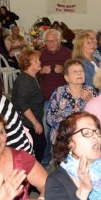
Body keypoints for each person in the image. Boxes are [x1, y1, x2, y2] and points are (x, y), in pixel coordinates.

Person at [37, 28, 73, 166]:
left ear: (59, 41)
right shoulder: (41, 55)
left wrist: (63, 69)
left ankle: (64, 158)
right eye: (48, 41)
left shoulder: (67, 53)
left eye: (53, 41)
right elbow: (33, 74)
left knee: (65, 129)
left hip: (65, 98)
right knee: (46, 129)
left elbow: (75, 72)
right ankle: (46, 159)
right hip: (47, 97)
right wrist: (41, 71)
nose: (50, 44)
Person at [46, 59, 96, 148]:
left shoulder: (90, 91)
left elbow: (99, 115)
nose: (79, 73)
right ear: (66, 77)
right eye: (74, 72)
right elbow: (50, 117)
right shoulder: (59, 93)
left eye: (81, 71)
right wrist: (68, 129)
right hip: (64, 139)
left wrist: (90, 101)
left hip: (86, 138)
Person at [12, 48, 48, 163]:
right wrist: (35, 123)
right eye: (36, 60)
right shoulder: (25, 81)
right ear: (28, 63)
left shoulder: (32, 77)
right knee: (37, 147)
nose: (40, 62)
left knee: (39, 146)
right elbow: (23, 104)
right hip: (27, 122)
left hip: (32, 119)